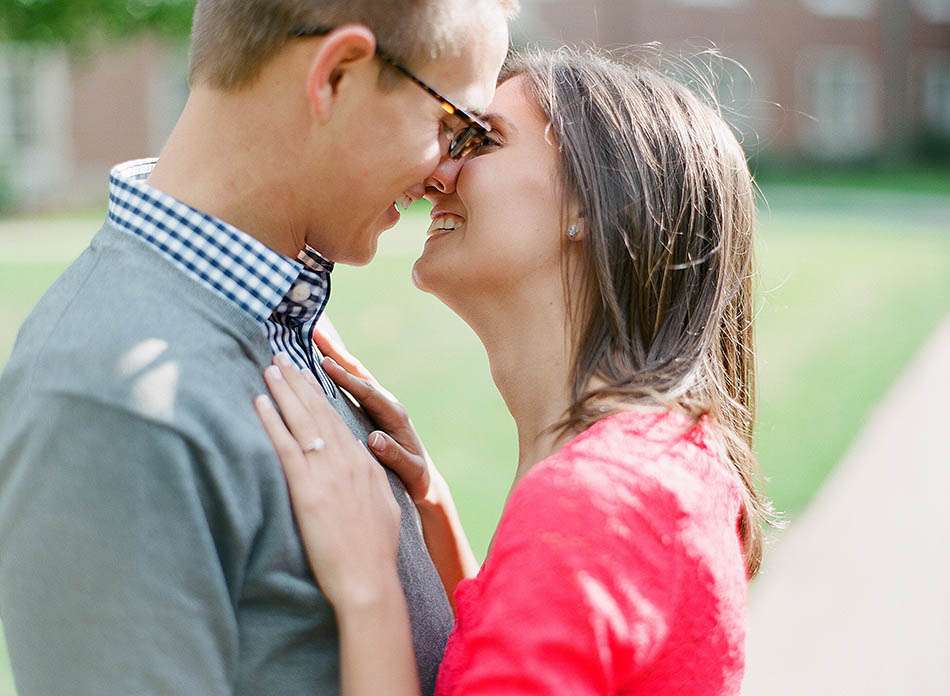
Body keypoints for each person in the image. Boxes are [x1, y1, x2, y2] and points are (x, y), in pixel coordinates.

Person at [0, 1, 514, 694]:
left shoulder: (273, 319)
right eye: (455, 126)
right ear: (335, 76)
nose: (446, 176)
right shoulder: (107, 404)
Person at [255, 47, 775, 695]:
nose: (437, 173)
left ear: (594, 204)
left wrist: (367, 587)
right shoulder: (662, 461)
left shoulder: (597, 502)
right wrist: (431, 506)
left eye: (481, 140)